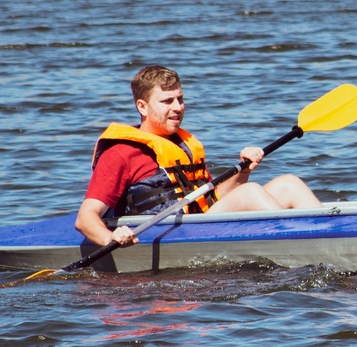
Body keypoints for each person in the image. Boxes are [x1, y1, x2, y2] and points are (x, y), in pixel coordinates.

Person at [75, 65, 321, 249]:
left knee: (289, 183)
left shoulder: (183, 144)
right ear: (142, 107)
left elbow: (212, 198)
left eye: (180, 99)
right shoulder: (120, 153)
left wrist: (244, 170)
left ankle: (329, 236)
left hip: (197, 224)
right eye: (167, 101)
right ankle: (307, 248)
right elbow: (86, 218)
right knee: (251, 193)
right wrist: (111, 238)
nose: (178, 107)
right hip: (168, 233)